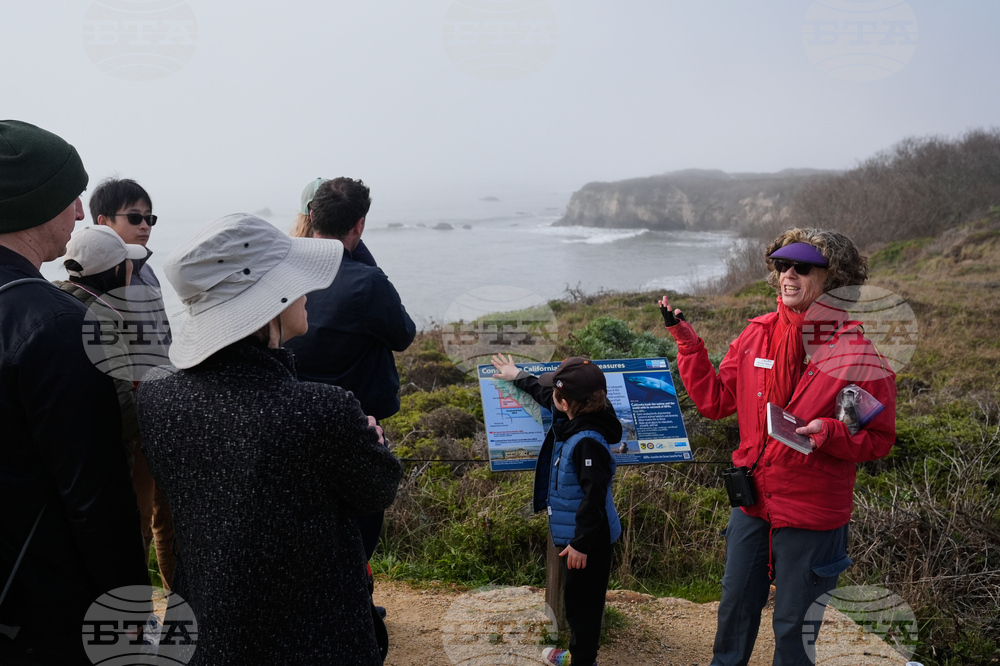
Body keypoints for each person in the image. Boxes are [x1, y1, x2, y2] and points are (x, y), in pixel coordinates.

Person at [137, 213, 403, 665]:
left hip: (204, 632)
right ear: (268, 302)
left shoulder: (157, 396)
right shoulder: (322, 409)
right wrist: (372, 442)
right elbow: (377, 489)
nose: (306, 292)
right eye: (292, 280)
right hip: (314, 637)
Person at [658, 228, 897, 666]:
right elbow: (715, 402)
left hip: (811, 511)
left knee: (792, 625)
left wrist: (829, 431)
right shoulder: (758, 335)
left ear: (835, 279)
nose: (788, 274)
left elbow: (878, 440)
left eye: (802, 267)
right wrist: (688, 343)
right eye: (783, 265)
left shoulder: (858, 355)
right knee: (734, 610)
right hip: (752, 503)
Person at [0, 120, 149, 665]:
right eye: (71, 197)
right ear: (34, 203)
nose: (82, 213)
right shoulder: (56, 326)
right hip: (42, 611)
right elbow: (96, 496)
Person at [285, 177, 415, 595]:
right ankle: (352, 617)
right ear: (358, 226)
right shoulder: (365, 282)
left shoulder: (284, 271)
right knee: (359, 530)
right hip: (360, 426)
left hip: (294, 422)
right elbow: (403, 334)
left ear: (310, 217)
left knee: (308, 529)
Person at [491, 354, 622, 666]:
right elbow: (541, 392)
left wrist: (580, 543)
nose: (551, 397)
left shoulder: (587, 442)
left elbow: (594, 497)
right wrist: (516, 375)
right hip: (581, 538)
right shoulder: (586, 414)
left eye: (556, 395)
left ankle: (582, 660)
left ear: (565, 403)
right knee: (578, 600)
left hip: (588, 541)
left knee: (584, 606)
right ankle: (580, 655)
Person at [90, 176, 176, 589]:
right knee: (139, 519)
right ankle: (136, 621)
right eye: (135, 217)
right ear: (104, 222)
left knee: (169, 515)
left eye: (150, 217)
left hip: (160, 408)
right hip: (134, 417)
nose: (145, 225)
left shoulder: (146, 273)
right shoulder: (101, 284)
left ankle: (187, 606)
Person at [54, 225, 148, 468]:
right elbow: (124, 412)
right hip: (99, 465)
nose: (132, 268)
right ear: (116, 270)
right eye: (129, 262)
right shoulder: (101, 323)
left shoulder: (55, 301)